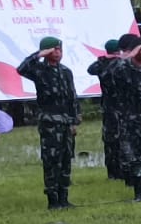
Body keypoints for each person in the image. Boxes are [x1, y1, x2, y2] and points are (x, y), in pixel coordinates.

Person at [17, 36, 82, 208]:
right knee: (52, 160)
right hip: (49, 122)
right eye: (54, 49)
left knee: (66, 159)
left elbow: (72, 97)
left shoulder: (66, 71)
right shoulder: (39, 70)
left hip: (66, 122)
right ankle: (53, 200)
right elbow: (21, 69)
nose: (58, 53)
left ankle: (64, 197)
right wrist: (39, 54)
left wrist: (75, 119)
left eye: (60, 49)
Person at [90, 39, 126, 180]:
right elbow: (91, 70)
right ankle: (115, 171)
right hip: (114, 107)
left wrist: (105, 59)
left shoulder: (106, 64)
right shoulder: (111, 64)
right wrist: (107, 58)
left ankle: (116, 171)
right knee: (114, 139)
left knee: (115, 140)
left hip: (115, 107)